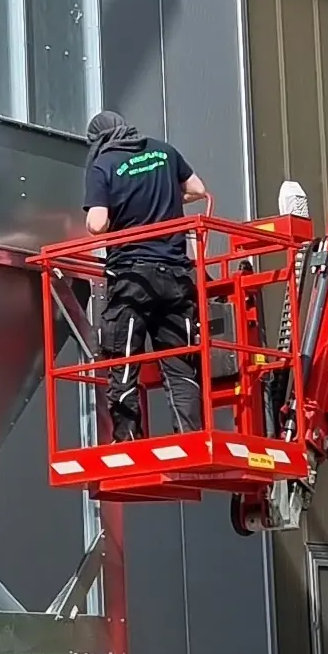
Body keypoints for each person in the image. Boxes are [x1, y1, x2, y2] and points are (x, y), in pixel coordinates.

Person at [84, 108, 210, 436]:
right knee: (180, 363)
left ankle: (127, 441)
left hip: (132, 279)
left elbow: (97, 224)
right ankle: (190, 436)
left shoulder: (104, 165)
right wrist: (169, 204)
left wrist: (117, 213)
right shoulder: (164, 151)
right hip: (175, 277)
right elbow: (198, 189)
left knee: (123, 363)